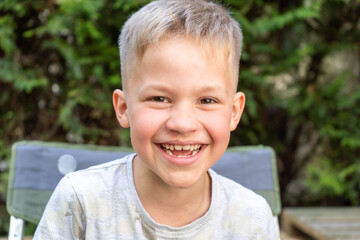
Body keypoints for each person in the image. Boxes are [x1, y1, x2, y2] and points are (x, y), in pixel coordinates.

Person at [34, 0, 279, 239]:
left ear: (234, 112)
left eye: (207, 101)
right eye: (159, 99)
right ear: (123, 108)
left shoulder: (252, 219)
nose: (183, 124)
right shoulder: (81, 201)